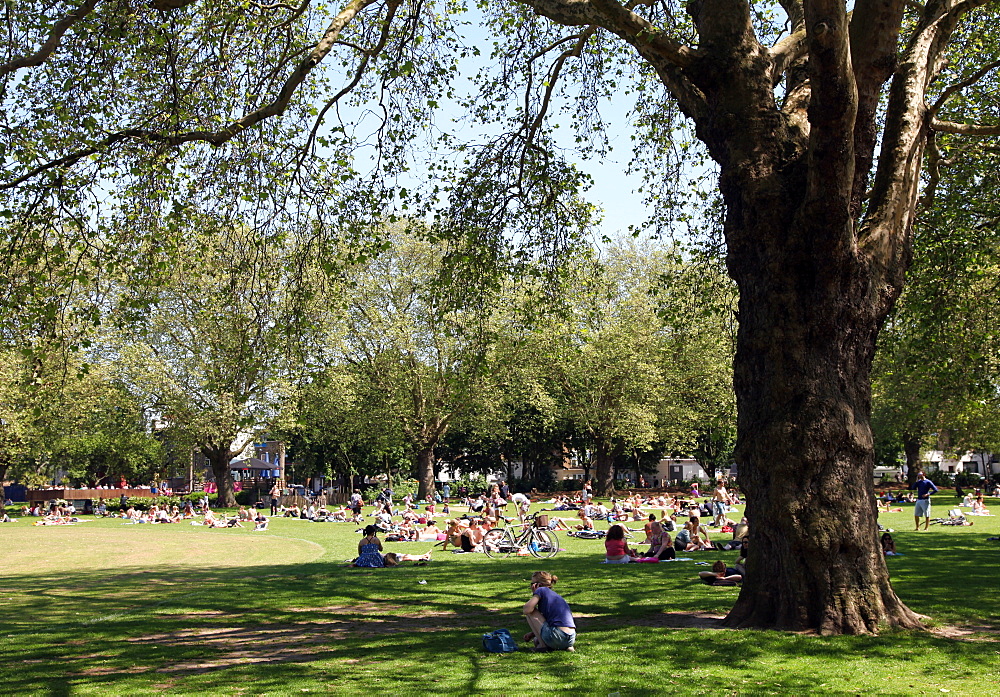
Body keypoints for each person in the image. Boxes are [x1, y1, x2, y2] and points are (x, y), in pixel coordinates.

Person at [522, 571, 576, 652]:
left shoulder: (541, 590)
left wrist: (535, 594)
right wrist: (533, 634)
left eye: (532, 584)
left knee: (531, 612)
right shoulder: (554, 595)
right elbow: (549, 621)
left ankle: (543, 646)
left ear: (538, 585)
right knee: (536, 640)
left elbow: (526, 610)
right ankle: (565, 646)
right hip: (570, 638)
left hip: (557, 636)